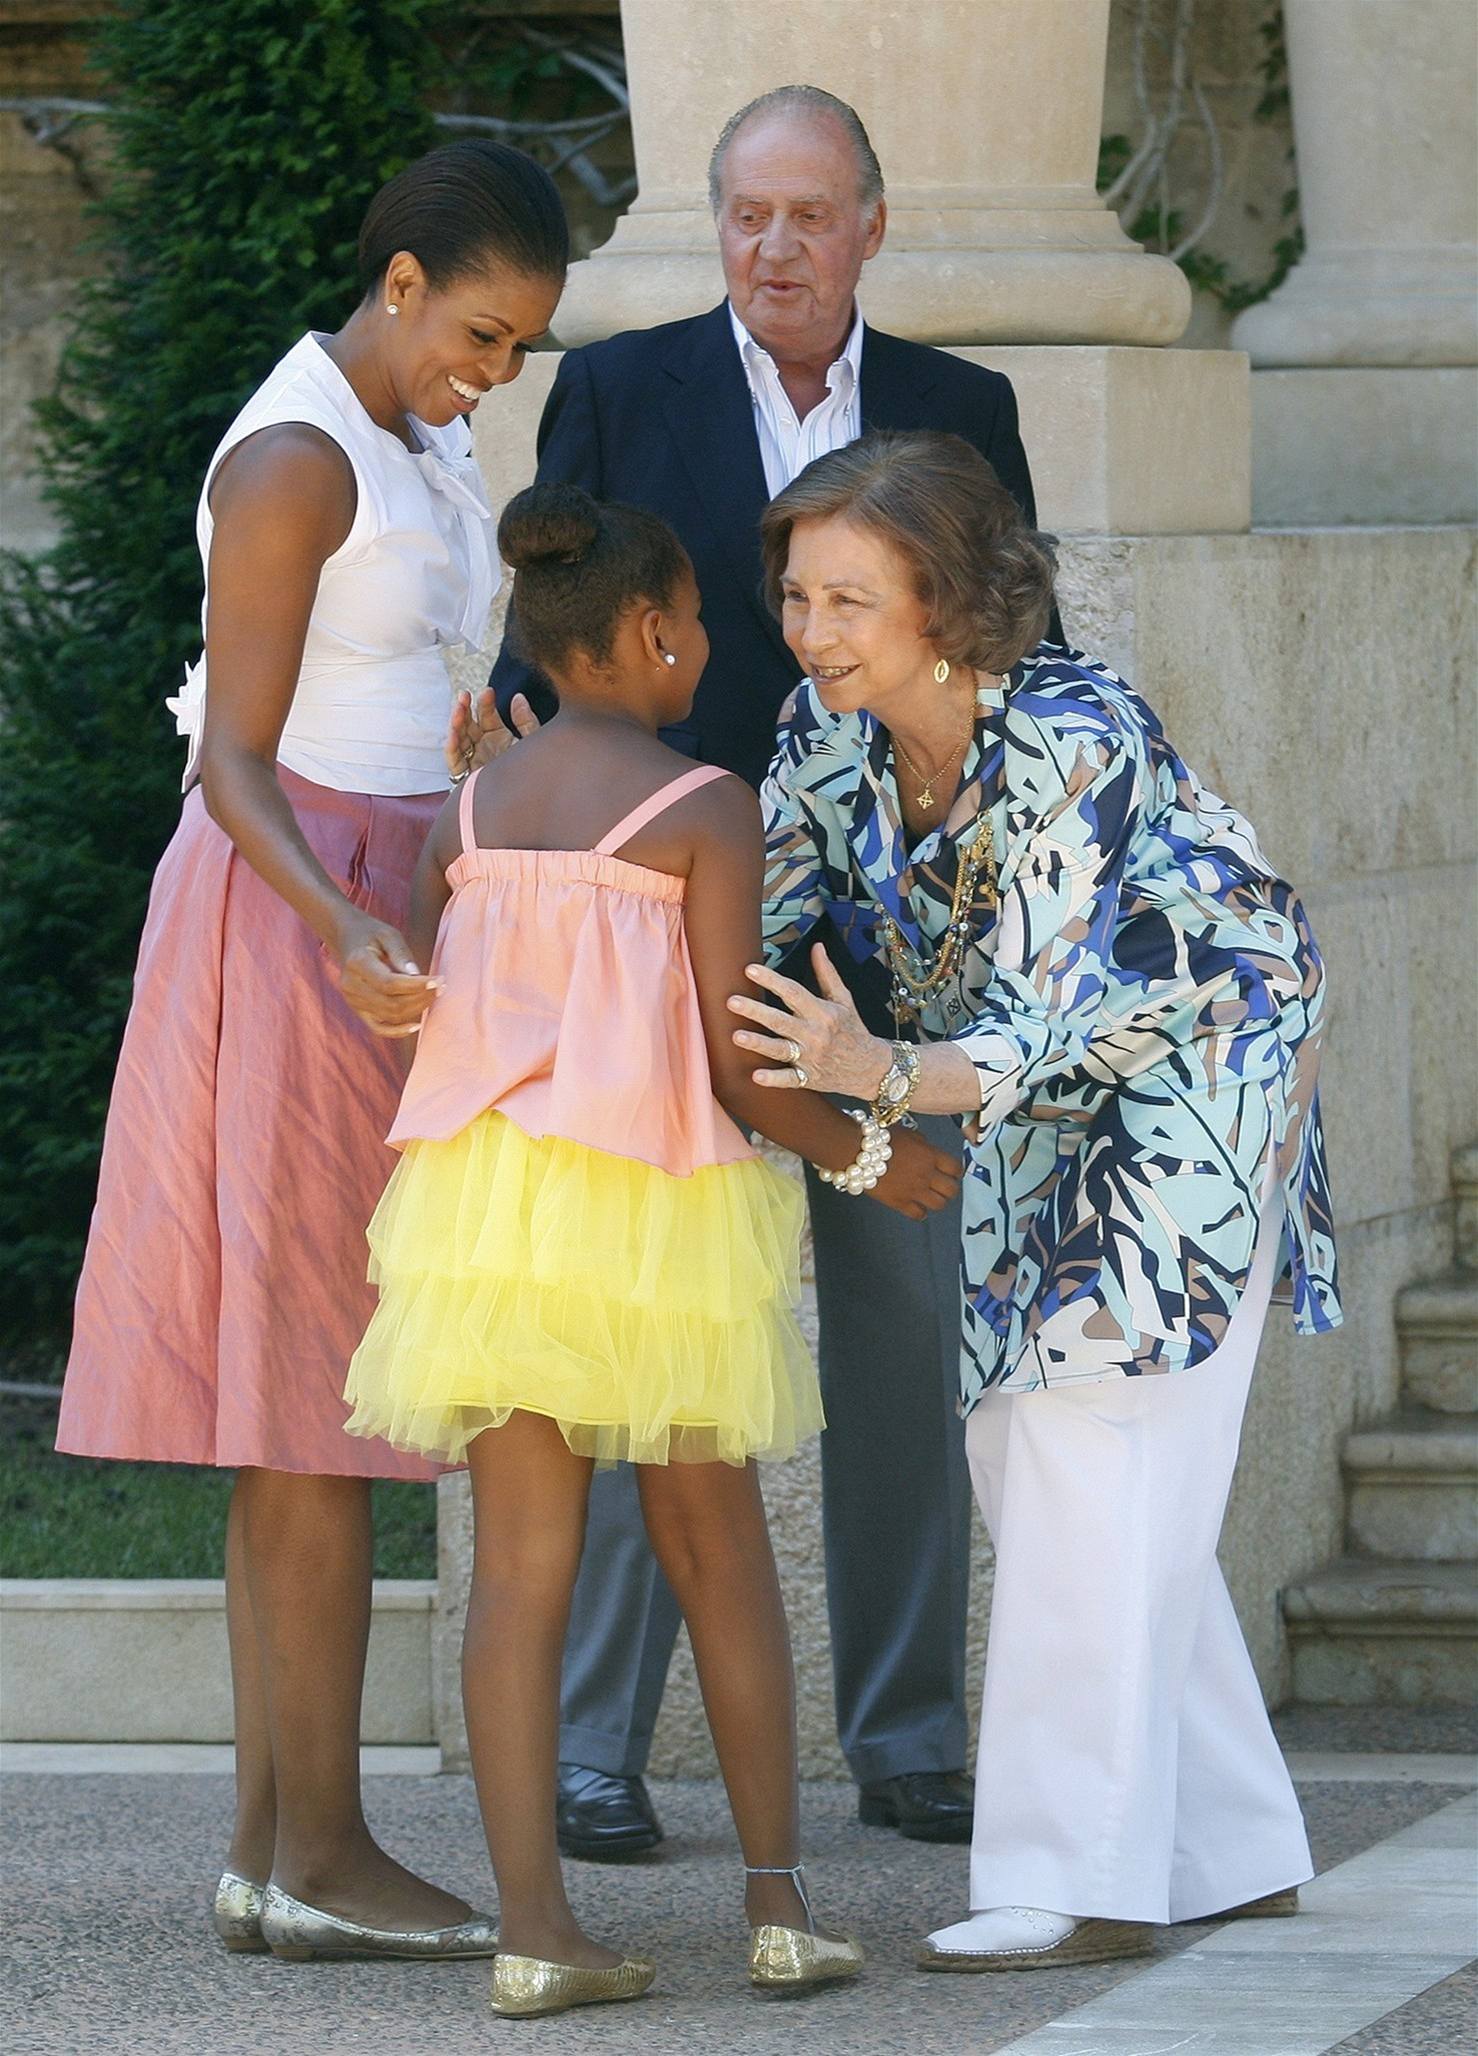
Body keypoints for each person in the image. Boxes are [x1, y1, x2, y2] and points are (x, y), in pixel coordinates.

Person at [472, 82, 1059, 1863]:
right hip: (670, 952)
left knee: (900, 1350)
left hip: (888, 977)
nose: (776, 248)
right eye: (747, 215)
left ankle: (909, 1737)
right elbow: (542, 658)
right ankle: (591, 1752)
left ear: (871, 226)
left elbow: (1021, 663)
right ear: (714, 226)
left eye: (810, 216)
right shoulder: (618, 389)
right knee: (655, 1347)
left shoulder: (966, 412)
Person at [342, 482, 958, 2018]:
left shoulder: (471, 808)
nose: (710, 650)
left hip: (489, 1212)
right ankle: (776, 1909)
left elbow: (422, 964)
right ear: (642, 633)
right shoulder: (701, 807)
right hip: (654, 1213)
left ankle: (535, 1928)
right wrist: (875, 1156)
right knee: (717, 1551)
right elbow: (740, 1061)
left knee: (518, 1578)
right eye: (696, 624)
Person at [730, 429, 1342, 1971]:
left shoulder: (1075, 728)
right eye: (797, 596)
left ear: (944, 597)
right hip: (1000, 1102)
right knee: (1047, 1458)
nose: (810, 632)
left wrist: (872, 1069)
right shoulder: (821, 726)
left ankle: (1078, 1879)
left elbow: (1067, 1014)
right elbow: (757, 916)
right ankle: (1232, 1841)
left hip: (1195, 1073)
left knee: (1086, 1438)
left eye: (847, 600)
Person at [55, 141, 565, 1960]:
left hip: (384, 877)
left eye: (521, 354)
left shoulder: (421, 438)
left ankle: (274, 1850)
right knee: (314, 1394)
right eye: (481, 335)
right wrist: (343, 922)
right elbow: (232, 756)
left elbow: (408, 677)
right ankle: (325, 1855)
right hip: (294, 905)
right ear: (404, 278)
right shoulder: (291, 454)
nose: (491, 378)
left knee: (312, 1387)